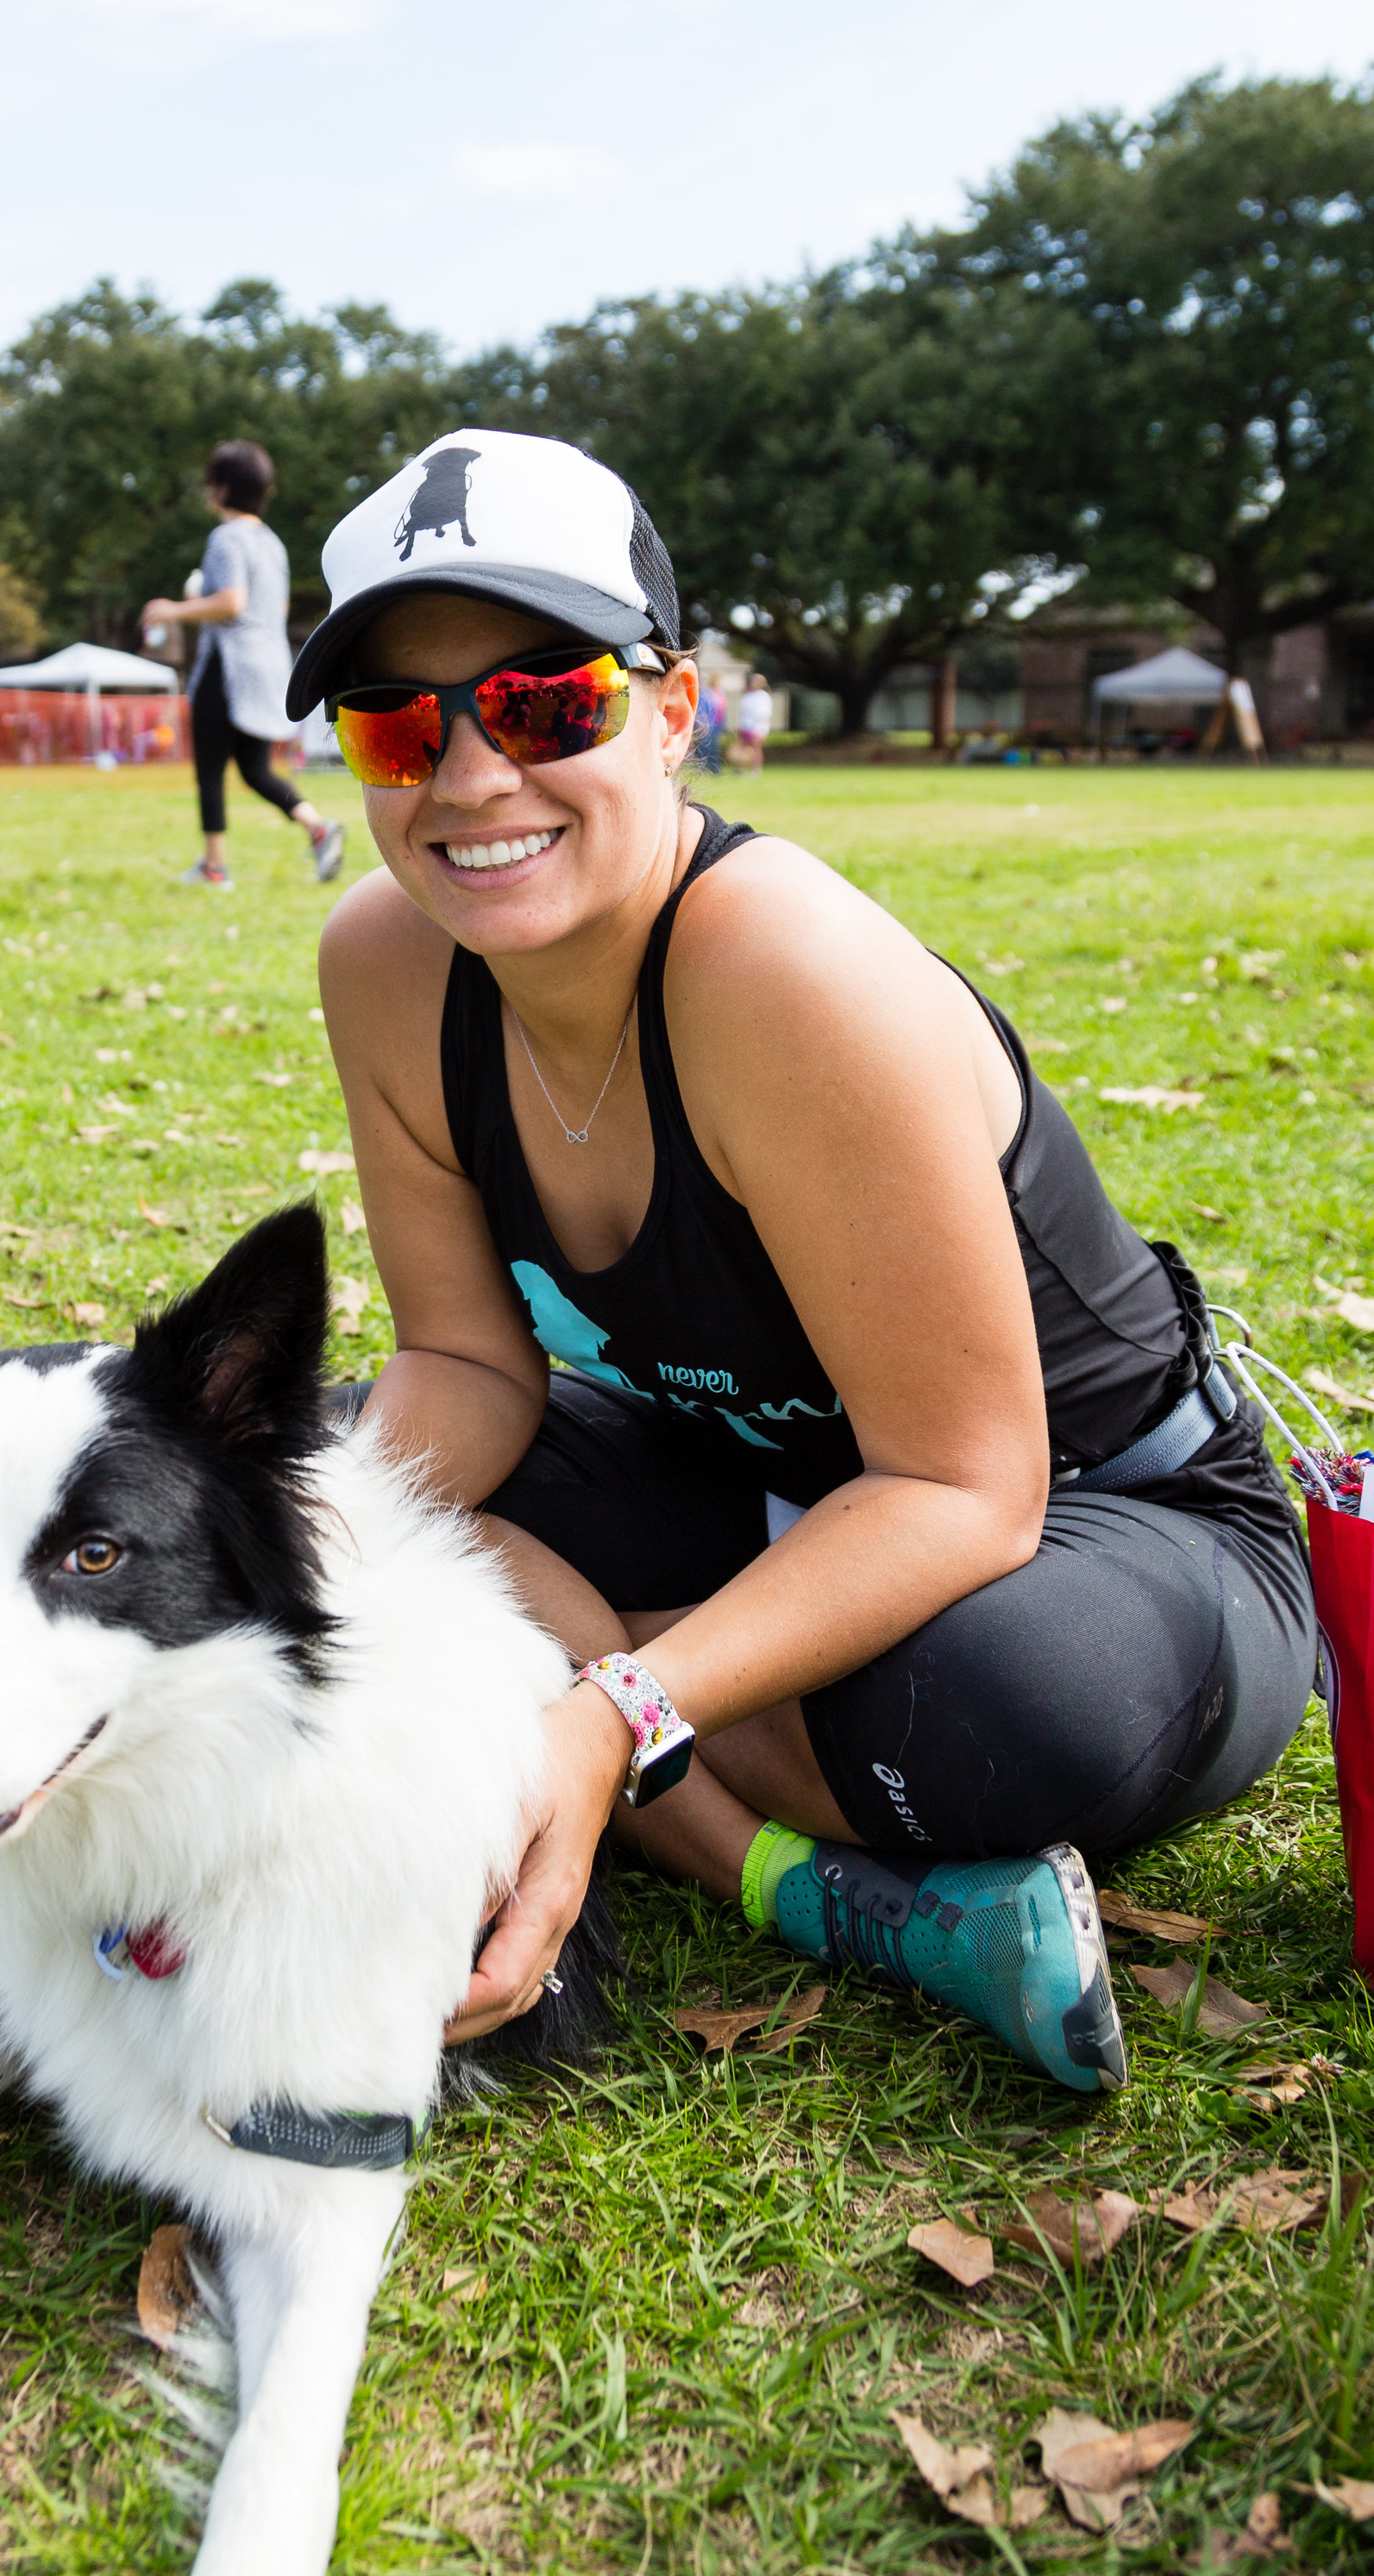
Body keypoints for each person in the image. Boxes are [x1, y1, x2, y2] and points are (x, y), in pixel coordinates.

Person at [304, 426, 1315, 2092]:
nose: (473, 777)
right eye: (399, 726)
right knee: (337, 1493)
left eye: (551, 702)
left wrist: (610, 1699)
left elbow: (964, 1490)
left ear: (676, 709)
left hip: (1096, 1518)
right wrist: (292, 1547)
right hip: (754, 1475)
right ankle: (795, 1882)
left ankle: (572, 1723)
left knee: (997, 1713)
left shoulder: (782, 969)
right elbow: (470, 1369)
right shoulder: (387, 964)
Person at [142, 441, 344, 889]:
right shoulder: (272, 543)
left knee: (210, 769)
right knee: (254, 769)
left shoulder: (226, 537)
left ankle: (214, 868)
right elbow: (272, 604)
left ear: (221, 488)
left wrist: (174, 610)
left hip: (229, 666)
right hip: (268, 665)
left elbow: (233, 602)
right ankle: (317, 826)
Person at [733, 672, 774, 774]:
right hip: (746, 726)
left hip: (757, 727)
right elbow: (743, 712)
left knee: (756, 748)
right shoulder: (748, 696)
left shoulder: (763, 697)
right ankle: (740, 768)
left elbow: (764, 714)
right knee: (743, 747)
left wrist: (758, 728)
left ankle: (756, 769)